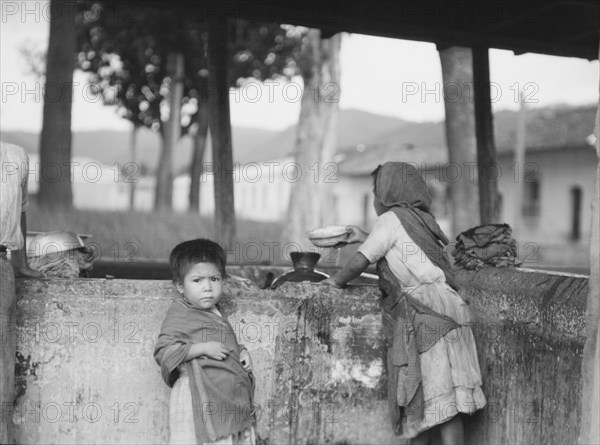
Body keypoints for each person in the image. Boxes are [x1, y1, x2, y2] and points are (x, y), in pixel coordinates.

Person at [322, 162, 486, 445]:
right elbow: (399, 256)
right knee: (447, 401)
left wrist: (334, 281)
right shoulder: (422, 219)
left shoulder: (389, 220)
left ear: (387, 194)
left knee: (430, 397)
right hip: (451, 308)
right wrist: (365, 236)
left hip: (428, 314)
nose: (375, 199)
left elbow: (361, 261)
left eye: (376, 192)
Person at [154, 239, 256, 445]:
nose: (208, 287)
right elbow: (164, 351)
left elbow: (225, 341)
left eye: (215, 279)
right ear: (180, 286)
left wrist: (242, 352)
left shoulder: (217, 312)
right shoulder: (180, 313)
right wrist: (203, 349)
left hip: (227, 398)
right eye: (198, 281)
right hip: (197, 397)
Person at [1, 141, 43, 443]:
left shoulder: (15, 155)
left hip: (2, 266)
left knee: (2, 378)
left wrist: (22, 262)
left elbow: (21, 211)